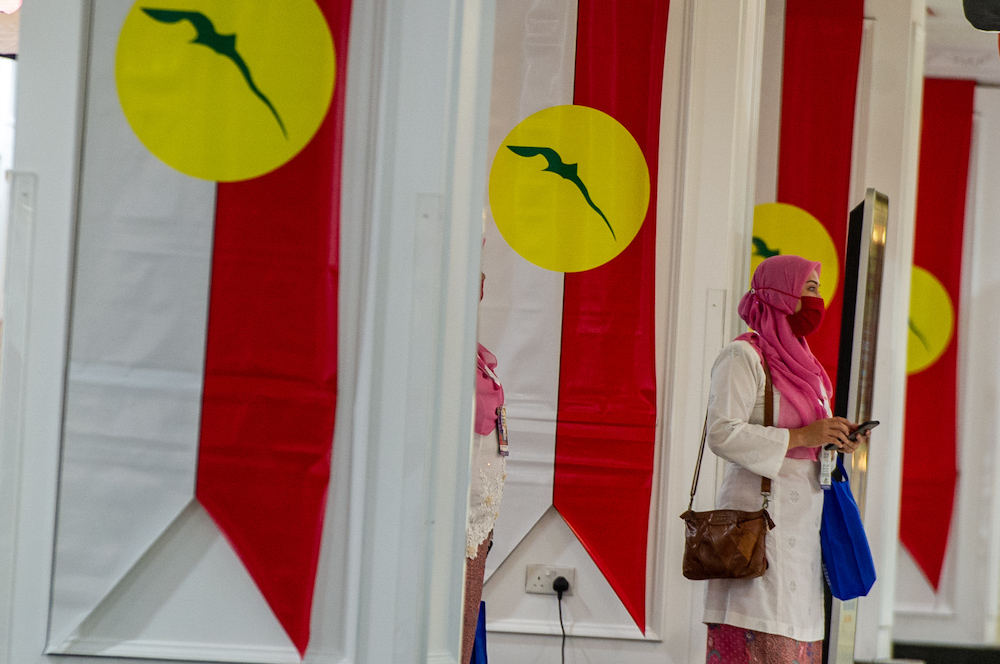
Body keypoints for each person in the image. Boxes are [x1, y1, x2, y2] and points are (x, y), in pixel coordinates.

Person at [702, 254, 868, 664]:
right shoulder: (743, 356)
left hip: (804, 529)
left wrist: (833, 439)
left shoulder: (808, 366)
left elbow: (810, 437)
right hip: (758, 527)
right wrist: (801, 435)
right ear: (781, 294)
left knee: (797, 643)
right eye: (808, 289)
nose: (817, 299)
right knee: (758, 639)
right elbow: (721, 433)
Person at [461, 270, 507, 664]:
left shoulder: (475, 357)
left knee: (460, 638)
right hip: (445, 525)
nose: (483, 277)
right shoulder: (435, 351)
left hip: (477, 525)